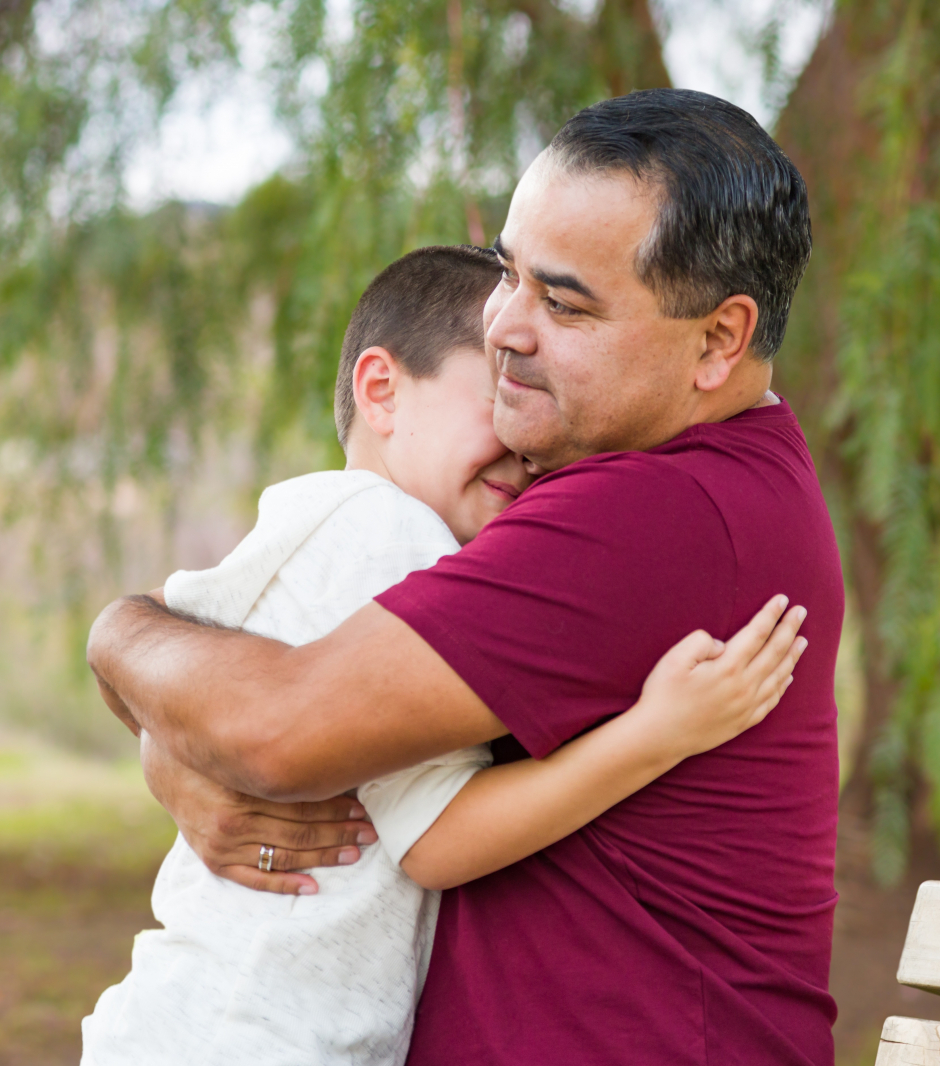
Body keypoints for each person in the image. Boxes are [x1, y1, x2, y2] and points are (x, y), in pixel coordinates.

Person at [89, 88, 843, 1065]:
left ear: (717, 340)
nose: (504, 328)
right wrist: (175, 743)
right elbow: (266, 710)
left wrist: (119, 641)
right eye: (507, 272)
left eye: (562, 303)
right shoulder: (676, 472)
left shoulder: (651, 513)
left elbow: (273, 731)